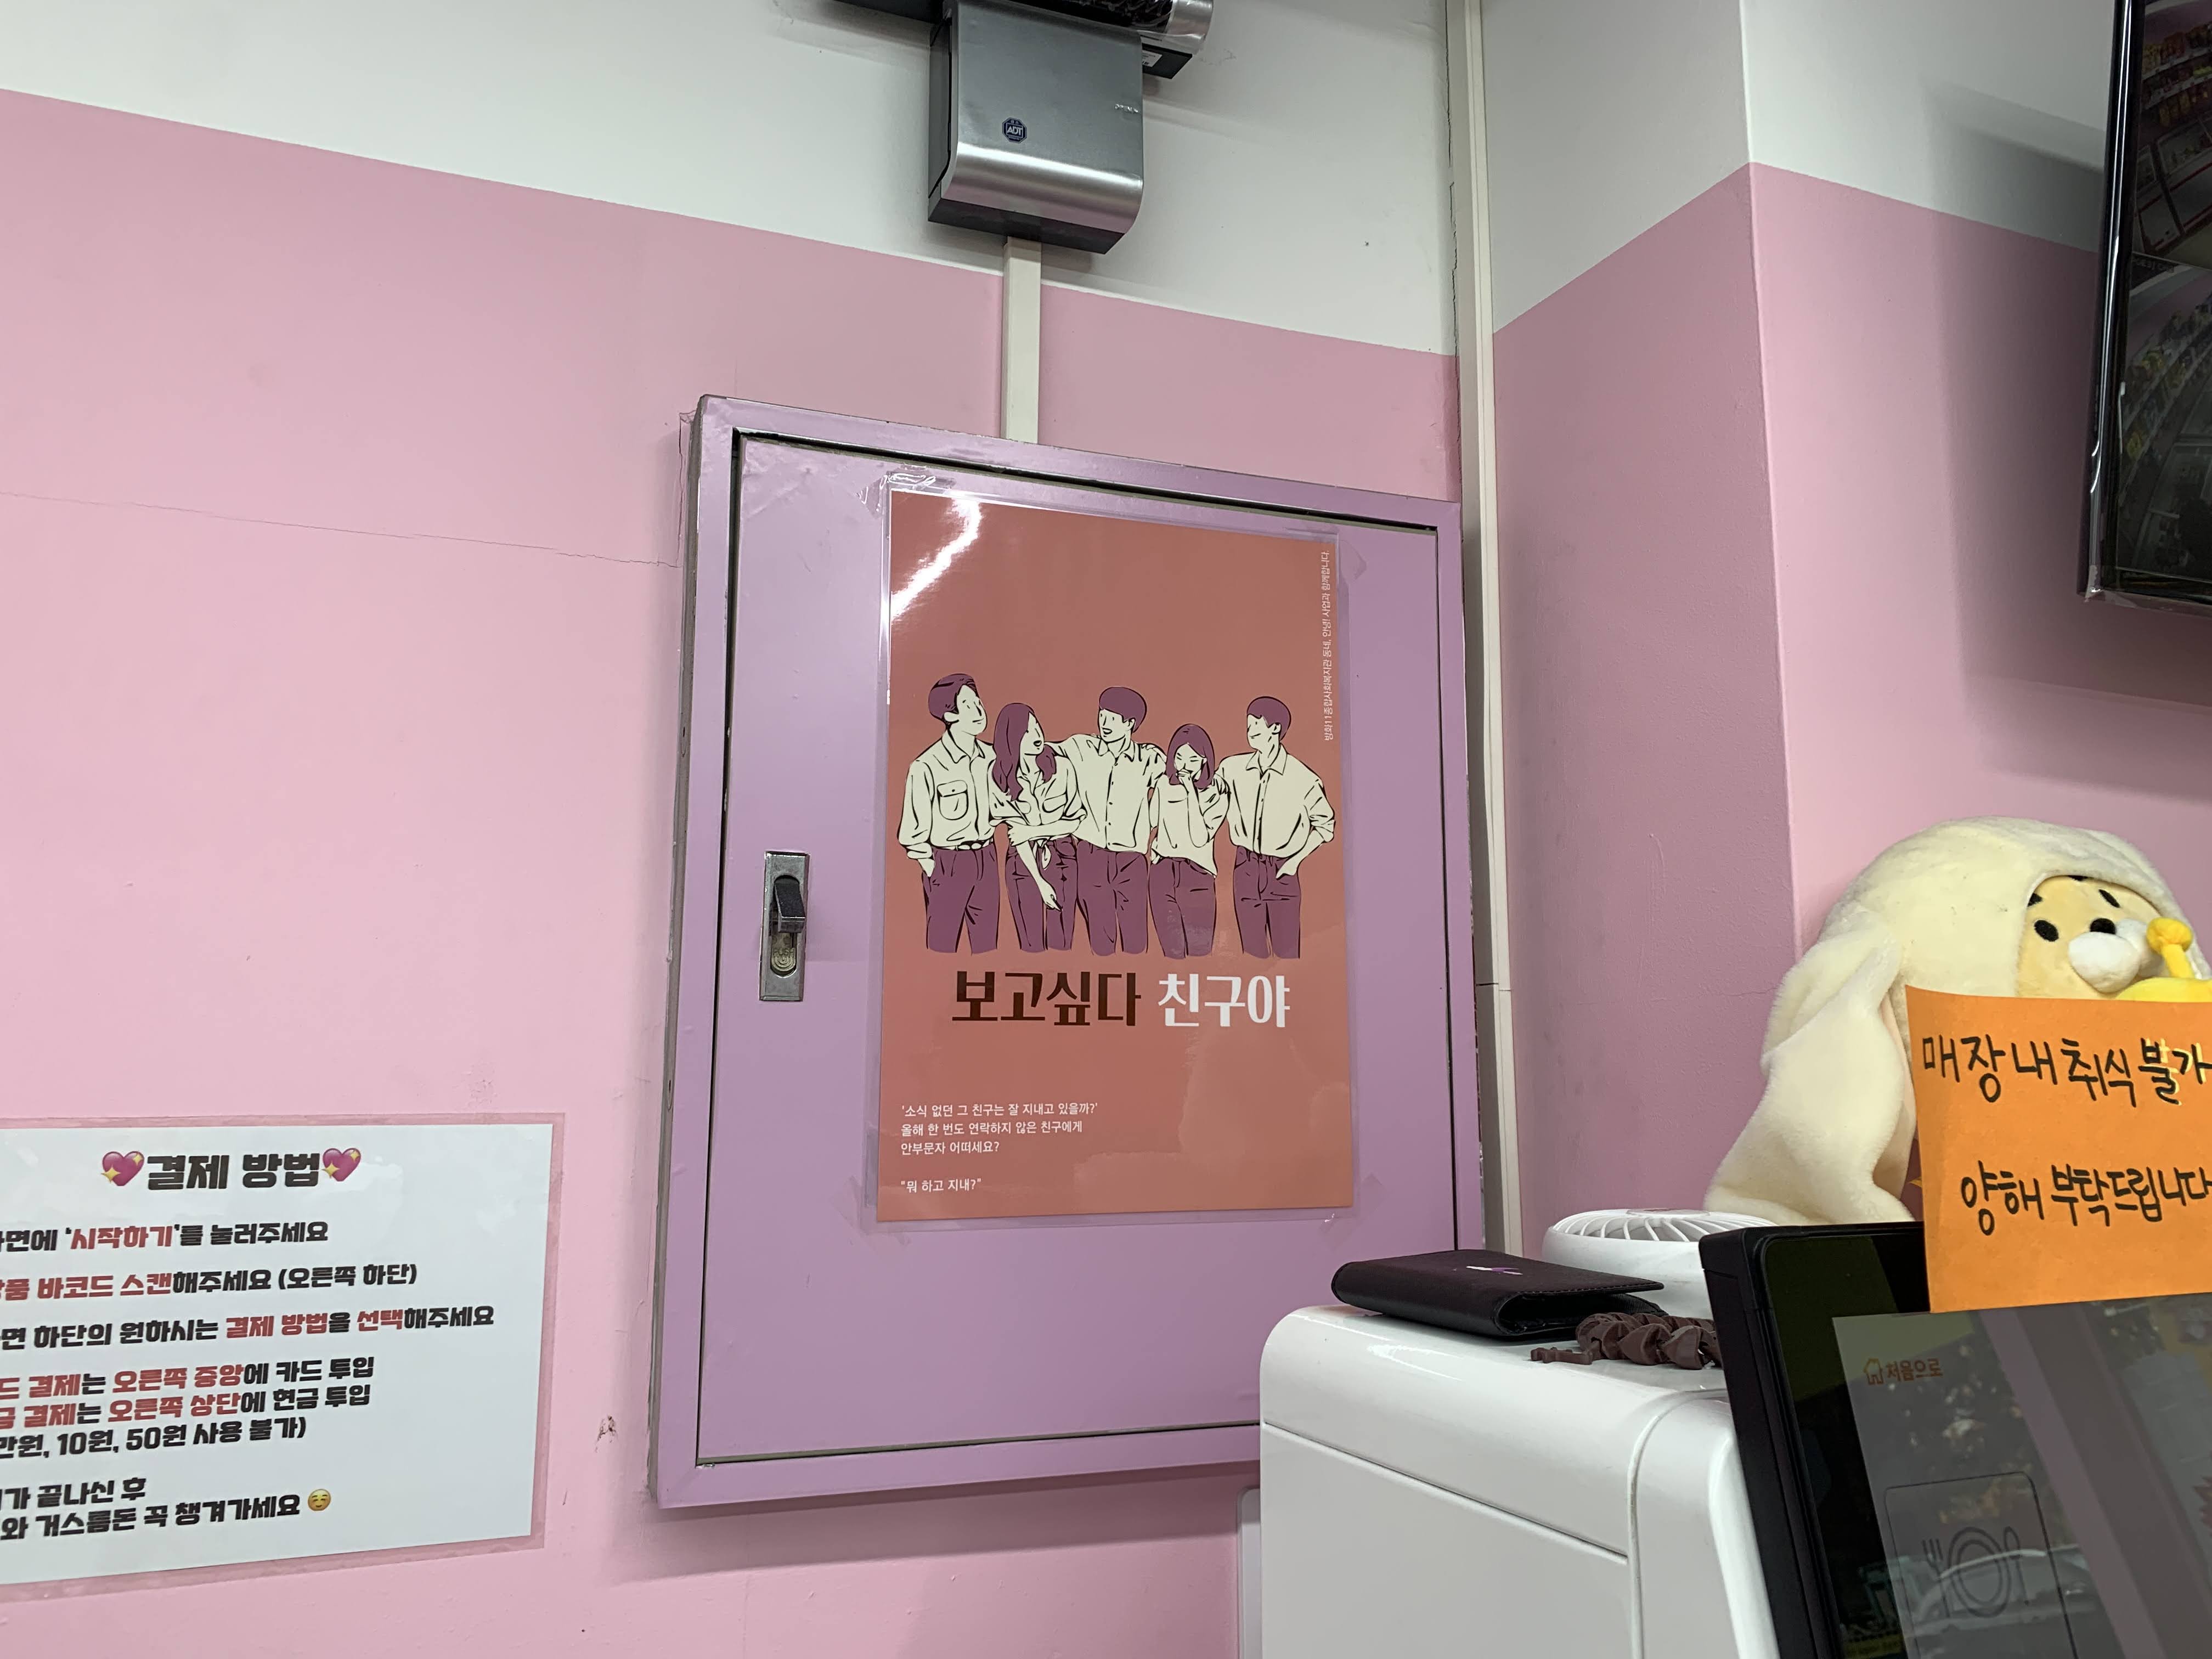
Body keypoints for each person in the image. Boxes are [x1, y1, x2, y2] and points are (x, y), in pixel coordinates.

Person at [1215, 696, 1334, 958]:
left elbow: (1326, 826)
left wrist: (1295, 861)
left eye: (1257, 725)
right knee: (1251, 953)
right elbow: (1211, 798)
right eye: (1248, 725)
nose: (1250, 731)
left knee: (1286, 955)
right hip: (1245, 867)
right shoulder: (1231, 769)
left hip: (1283, 870)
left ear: (1276, 728)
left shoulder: (1303, 778)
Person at [1055, 686, 1165, 955]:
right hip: (1090, 855)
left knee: (1135, 939)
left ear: (1130, 724)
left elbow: (1179, 783)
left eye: (1113, 718)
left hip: (1131, 859)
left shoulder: (1149, 758)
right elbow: (1041, 753)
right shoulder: (1080, 747)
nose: (1104, 723)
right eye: (1102, 715)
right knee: (1100, 938)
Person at [896, 673, 999, 952]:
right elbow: (911, 833)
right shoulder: (927, 766)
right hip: (948, 862)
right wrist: (934, 870)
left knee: (987, 948)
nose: (979, 710)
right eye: (967, 705)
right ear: (950, 715)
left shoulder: (992, 757)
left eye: (978, 702)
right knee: (941, 948)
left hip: (987, 858)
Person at [989, 701, 1078, 952]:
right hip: (1022, 860)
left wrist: (1035, 831)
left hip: (1063, 855)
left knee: (1062, 941)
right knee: (1030, 944)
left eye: (1036, 726)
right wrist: (1040, 881)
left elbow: (1075, 820)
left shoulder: (1063, 767)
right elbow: (1018, 836)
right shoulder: (999, 776)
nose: (1036, 735)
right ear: (1011, 738)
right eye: (1026, 732)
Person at [1148, 723, 1228, 959]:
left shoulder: (1216, 794)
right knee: (1171, 952)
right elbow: (1151, 821)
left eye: (1193, 760)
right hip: (1163, 872)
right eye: (1179, 758)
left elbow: (1200, 838)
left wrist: (1190, 792)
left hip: (1197, 875)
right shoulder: (1163, 785)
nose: (1184, 766)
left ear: (1205, 760)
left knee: (1199, 951)